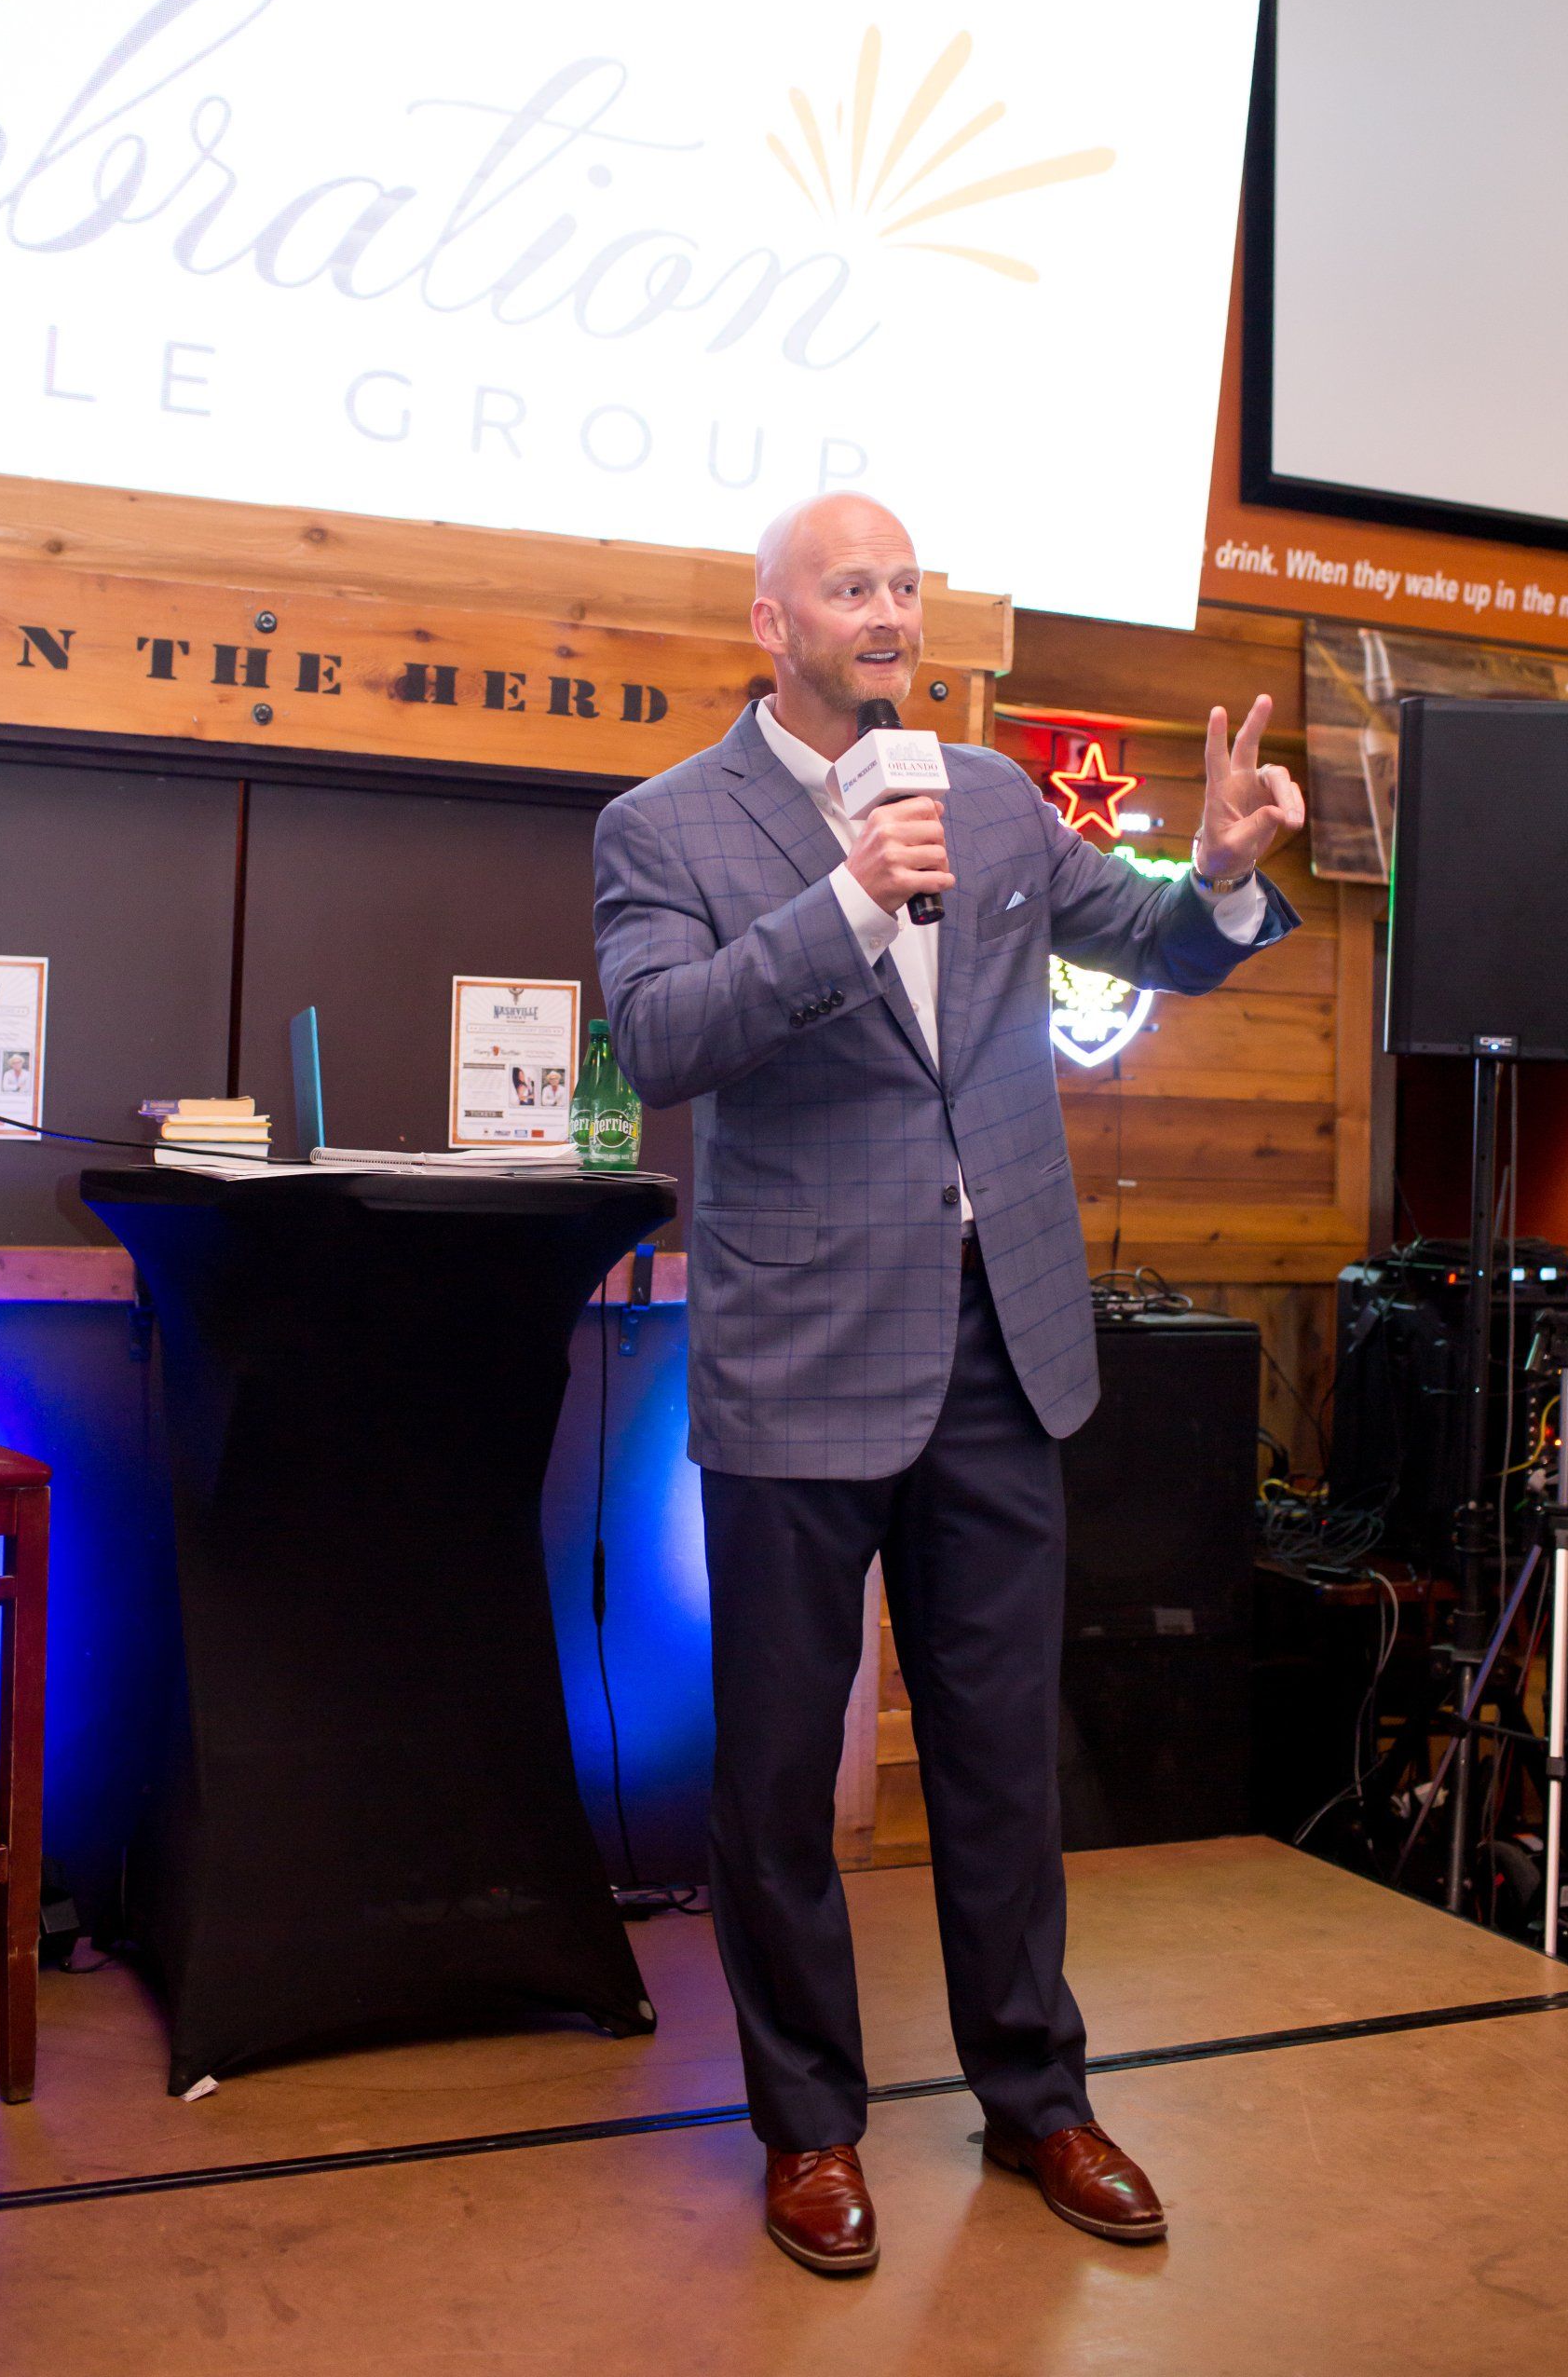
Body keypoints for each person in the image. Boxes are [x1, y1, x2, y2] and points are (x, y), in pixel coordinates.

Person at [593, 495, 1303, 2277]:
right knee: (776, 1774)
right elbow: (660, 1038)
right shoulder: (667, 823)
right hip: (801, 1353)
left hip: (1001, 1348)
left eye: (906, 585)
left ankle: (1038, 2099)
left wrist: (1221, 869)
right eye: (853, 587)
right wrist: (846, 901)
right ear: (774, 623)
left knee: (999, 1757)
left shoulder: (988, 796)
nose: (890, 612)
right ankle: (808, 2128)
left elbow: (1154, 940)